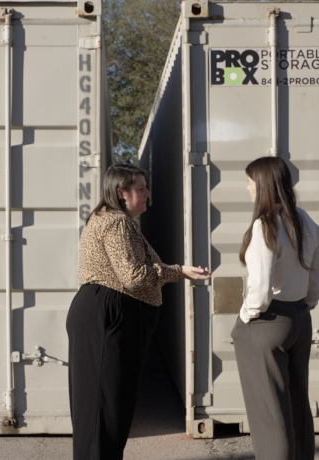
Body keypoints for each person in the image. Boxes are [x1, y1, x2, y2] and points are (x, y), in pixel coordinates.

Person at [67, 164, 211, 460]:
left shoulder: (107, 218)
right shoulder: (118, 222)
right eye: (141, 188)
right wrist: (178, 271)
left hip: (102, 312)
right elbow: (132, 275)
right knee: (105, 409)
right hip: (108, 314)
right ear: (121, 193)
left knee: (103, 409)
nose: (147, 194)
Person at [231, 156, 319, 460]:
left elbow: (259, 288)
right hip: (299, 319)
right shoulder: (305, 221)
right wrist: (305, 304)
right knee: (298, 405)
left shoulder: (264, 226)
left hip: (267, 322)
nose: (247, 188)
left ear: (262, 185)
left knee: (269, 415)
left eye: (249, 182)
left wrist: (245, 316)